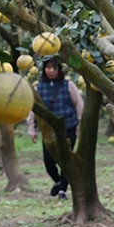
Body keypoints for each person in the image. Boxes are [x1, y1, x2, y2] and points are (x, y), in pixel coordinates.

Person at [26, 57, 83, 200]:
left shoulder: (68, 85)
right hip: (48, 130)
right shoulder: (38, 87)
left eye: (54, 68)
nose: (51, 71)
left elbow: (79, 104)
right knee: (49, 161)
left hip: (68, 126)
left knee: (66, 159)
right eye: (48, 67)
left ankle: (62, 190)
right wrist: (31, 128)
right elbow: (32, 109)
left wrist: (81, 124)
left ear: (59, 70)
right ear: (44, 69)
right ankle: (58, 182)